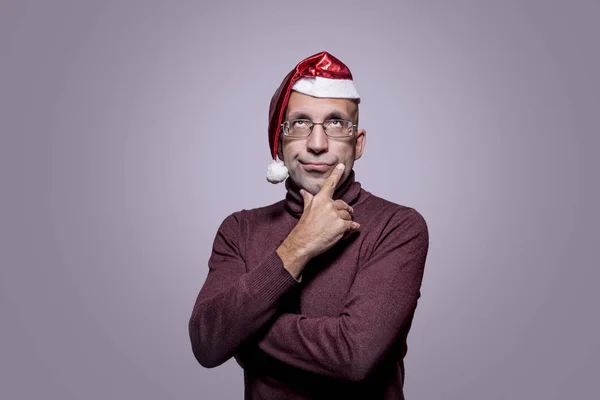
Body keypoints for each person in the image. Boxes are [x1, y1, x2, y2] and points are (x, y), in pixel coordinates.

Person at [188, 51, 429, 399]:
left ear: (357, 143)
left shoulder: (398, 226)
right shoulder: (239, 230)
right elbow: (208, 342)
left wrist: (242, 326)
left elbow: (354, 355)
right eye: (300, 124)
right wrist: (298, 246)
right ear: (280, 142)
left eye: (336, 124)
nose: (317, 144)